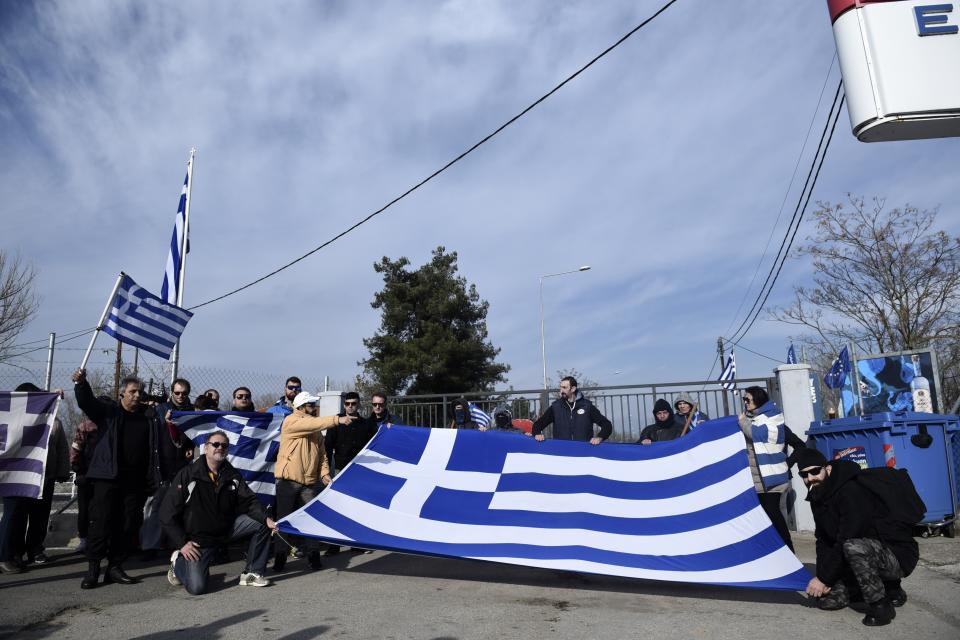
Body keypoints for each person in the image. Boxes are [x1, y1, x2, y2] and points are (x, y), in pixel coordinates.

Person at [799, 448, 916, 626]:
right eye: (804, 475)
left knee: (852, 546)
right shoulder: (817, 494)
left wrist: (824, 579)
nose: (810, 478)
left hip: (895, 555)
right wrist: (823, 577)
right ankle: (867, 588)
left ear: (827, 469)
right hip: (859, 555)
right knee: (827, 601)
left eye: (815, 471)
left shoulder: (850, 491)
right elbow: (823, 539)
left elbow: (847, 538)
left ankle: (881, 604)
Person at [71, 368, 161, 589]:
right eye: (133, 391)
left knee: (129, 524)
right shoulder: (109, 413)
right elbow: (87, 403)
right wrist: (81, 384)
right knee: (101, 523)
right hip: (107, 479)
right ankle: (93, 570)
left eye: (140, 392)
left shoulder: (148, 419)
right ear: (122, 394)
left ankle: (115, 567)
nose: (138, 395)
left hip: (135, 482)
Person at [160, 431, 278, 594]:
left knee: (262, 522)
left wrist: (267, 519)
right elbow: (167, 514)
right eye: (215, 444)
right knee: (197, 588)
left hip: (226, 531)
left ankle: (252, 573)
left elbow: (249, 501)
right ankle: (178, 564)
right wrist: (182, 543)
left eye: (224, 445)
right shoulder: (187, 475)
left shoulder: (233, 475)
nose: (220, 448)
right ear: (206, 449)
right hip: (198, 541)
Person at [273, 391, 357, 570]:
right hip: (287, 481)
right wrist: (337, 420)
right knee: (282, 521)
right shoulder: (291, 421)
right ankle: (280, 557)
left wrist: (325, 473)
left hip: (309, 482)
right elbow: (311, 423)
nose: (314, 407)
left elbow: (322, 454)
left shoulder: (314, 427)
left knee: (310, 520)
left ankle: (313, 556)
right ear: (301, 407)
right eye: (311, 404)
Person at [0, 384, 70, 573]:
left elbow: (62, 448)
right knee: (14, 516)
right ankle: (7, 554)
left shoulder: (53, 421)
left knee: (40, 516)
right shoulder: (8, 416)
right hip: (16, 476)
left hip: (45, 476)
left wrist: (63, 471)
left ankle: (34, 549)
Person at [738, 386, 793, 551]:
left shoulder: (772, 416)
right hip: (757, 478)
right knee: (764, 516)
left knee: (773, 514)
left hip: (771, 477)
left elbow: (756, 434)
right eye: (744, 400)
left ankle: (788, 549)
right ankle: (773, 550)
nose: (746, 403)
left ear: (758, 399)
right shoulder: (752, 417)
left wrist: (742, 421)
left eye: (748, 399)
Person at [529, 376, 612, 444]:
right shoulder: (556, 407)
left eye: (564, 388)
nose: (561, 391)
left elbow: (607, 425)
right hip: (562, 453)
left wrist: (599, 437)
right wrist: (537, 433)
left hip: (584, 453)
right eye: (560, 388)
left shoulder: (587, 406)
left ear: (573, 389)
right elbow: (538, 424)